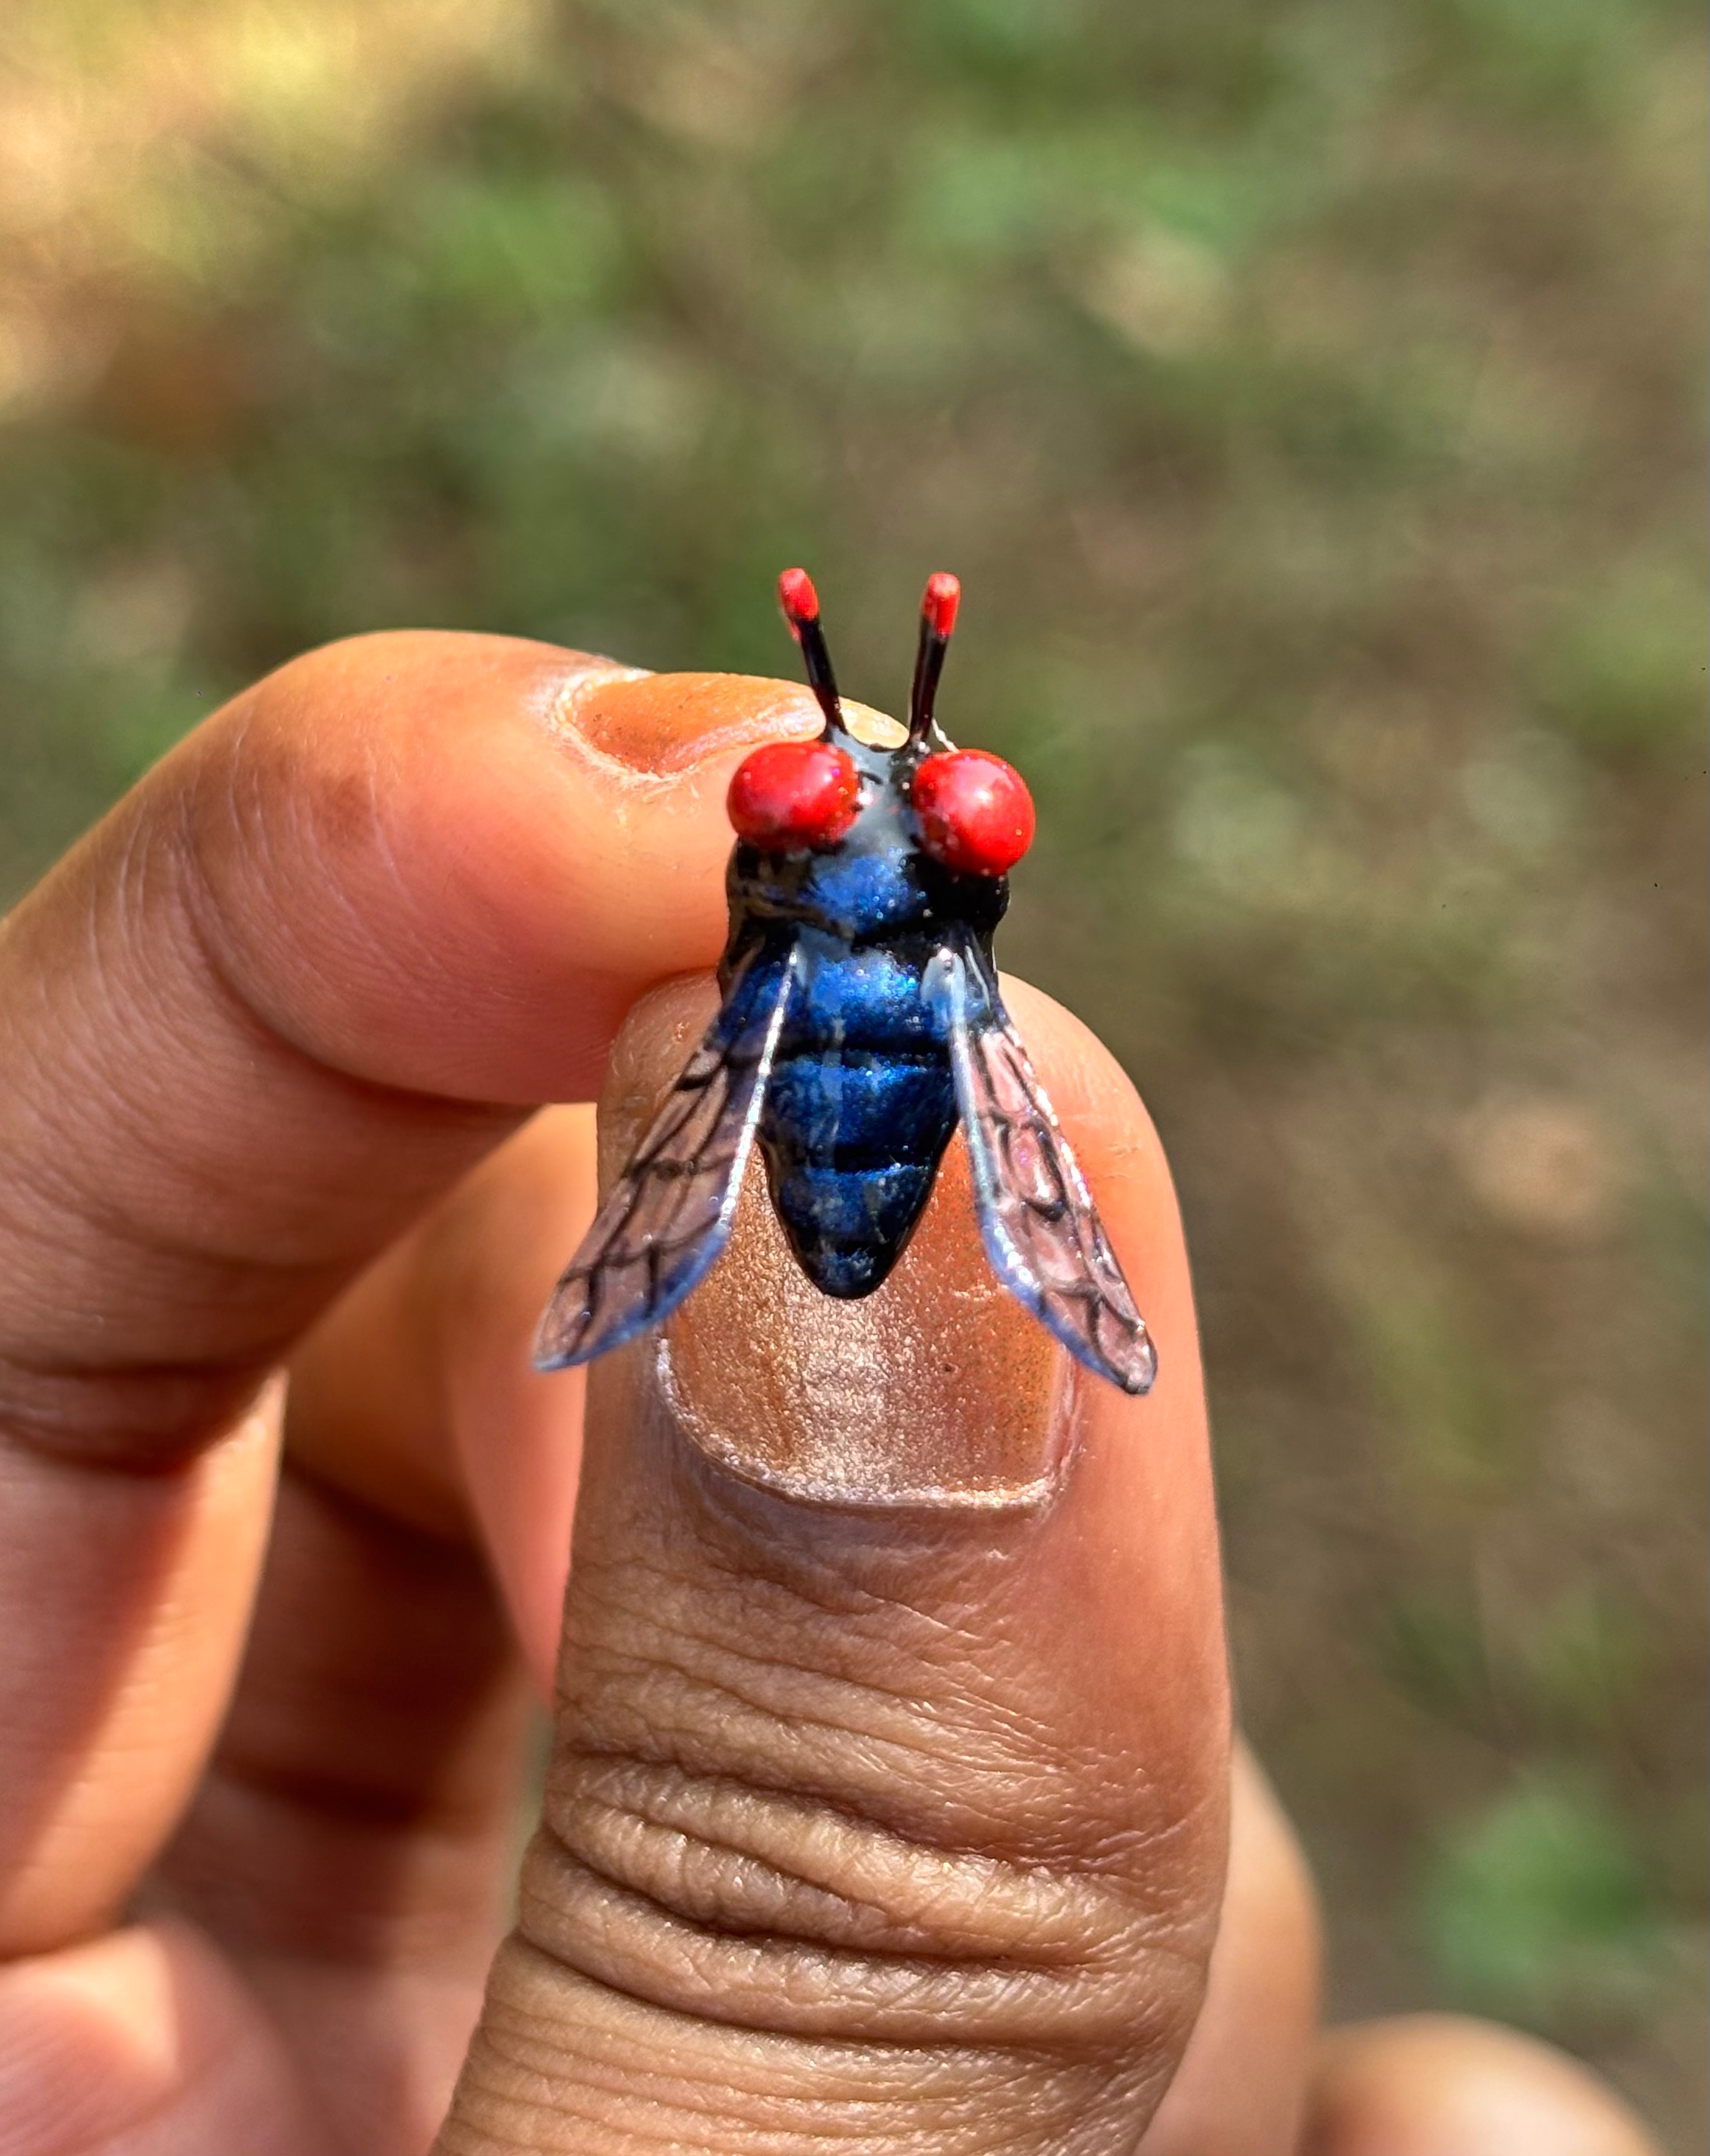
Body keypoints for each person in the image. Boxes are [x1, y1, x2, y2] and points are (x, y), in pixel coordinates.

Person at [0, 632, 1661, 2155]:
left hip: (826, 1072)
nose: (874, 816)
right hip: (827, 1074)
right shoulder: (858, 945)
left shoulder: (848, 939)